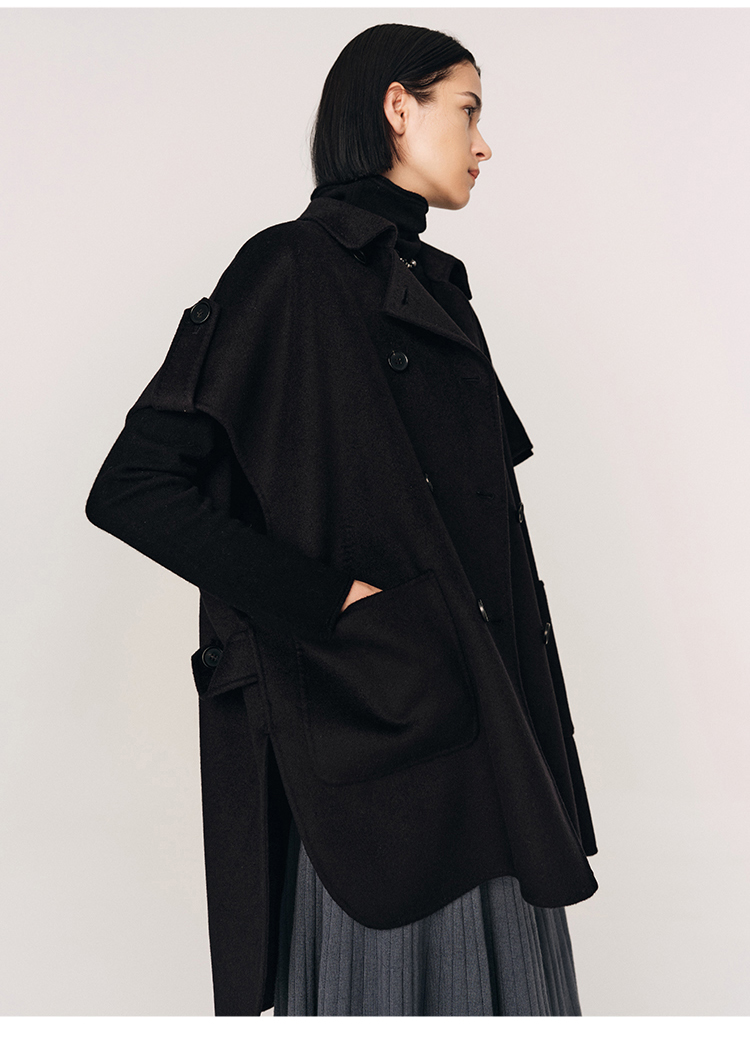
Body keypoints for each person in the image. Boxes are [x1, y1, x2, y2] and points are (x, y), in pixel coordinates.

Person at [86, 23, 598, 1017]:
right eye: (469, 110)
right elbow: (135, 487)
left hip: (482, 726)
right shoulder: (288, 269)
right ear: (398, 107)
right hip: (377, 736)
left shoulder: (429, 284)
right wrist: (332, 602)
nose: (485, 144)